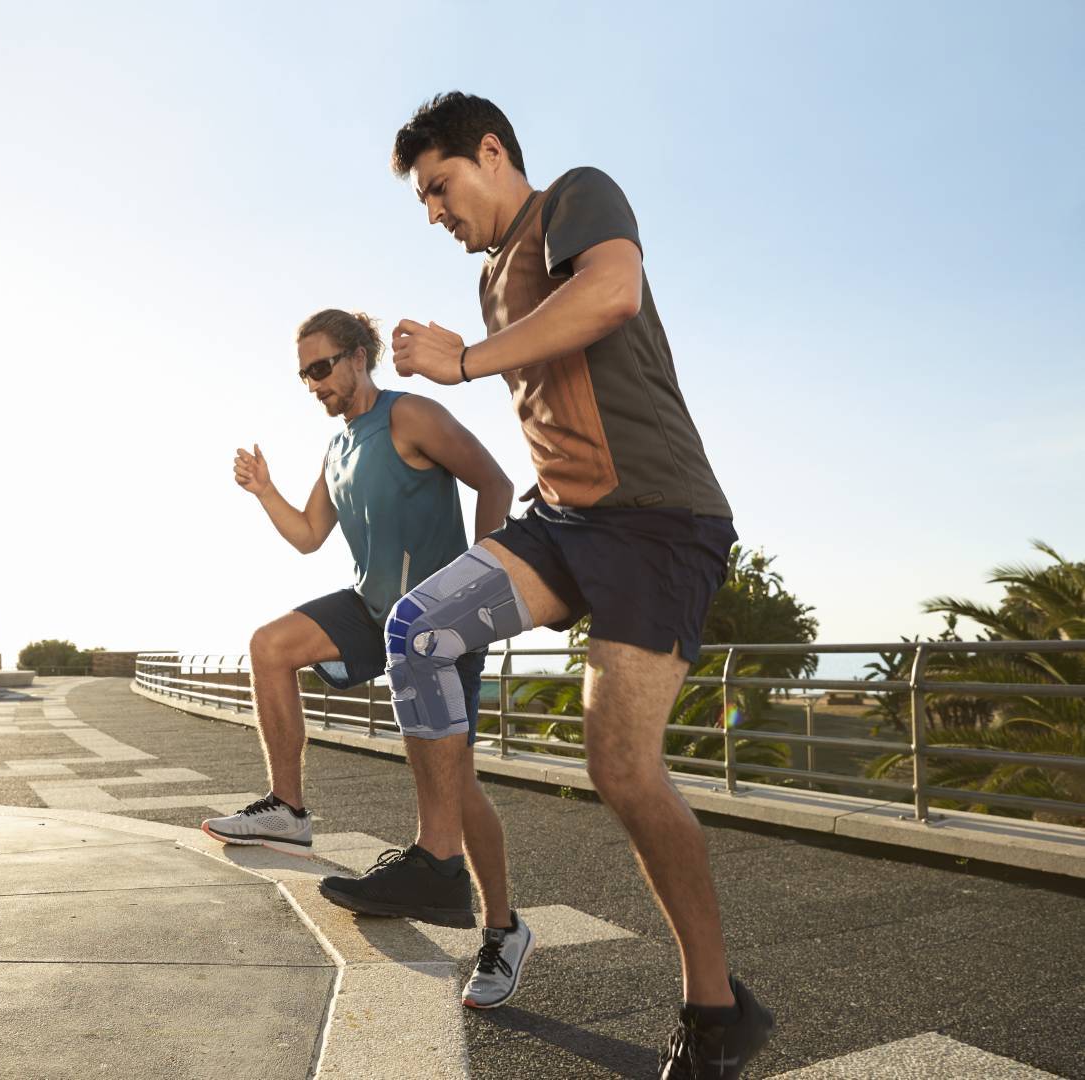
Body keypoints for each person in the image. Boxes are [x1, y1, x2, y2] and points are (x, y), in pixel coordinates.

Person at [322, 93, 773, 1076]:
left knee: (620, 770)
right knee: (421, 626)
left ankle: (715, 1005)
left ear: (492, 152)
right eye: (423, 201)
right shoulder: (489, 279)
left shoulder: (576, 196)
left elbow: (609, 295)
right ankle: (441, 861)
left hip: (657, 522)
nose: (434, 212)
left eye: (440, 187)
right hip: (563, 523)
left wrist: (467, 362)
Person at [202, 309, 534, 1007]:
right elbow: (307, 536)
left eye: (321, 367)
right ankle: (288, 808)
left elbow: (496, 482)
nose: (313, 384)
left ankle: (503, 931)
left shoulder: (410, 416)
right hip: (370, 608)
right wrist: (265, 491)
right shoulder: (338, 447)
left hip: (438, 624)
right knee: (271, 646)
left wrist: (476, 587)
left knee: (454, 787)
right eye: (303, 375)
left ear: (358, 357)